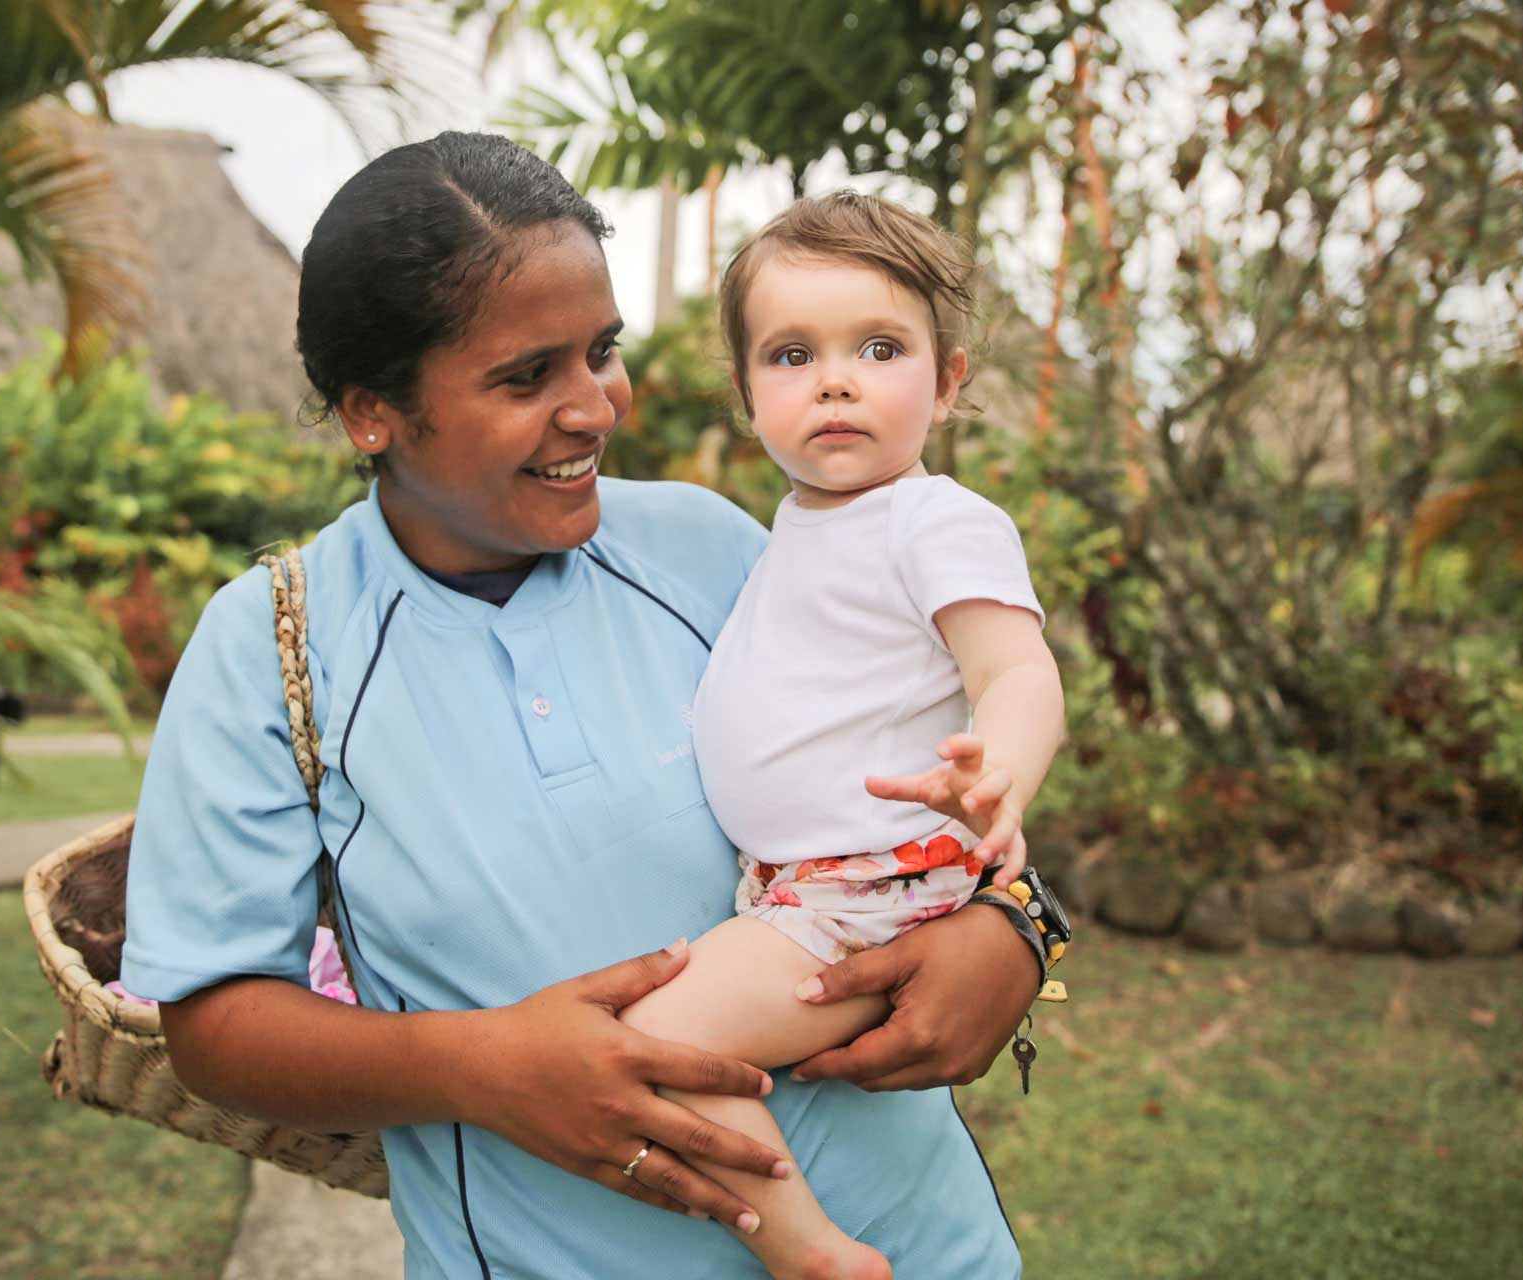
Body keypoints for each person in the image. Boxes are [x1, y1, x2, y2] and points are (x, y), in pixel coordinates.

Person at [121, 132, 1043, 1279]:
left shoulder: (712, 547)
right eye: (526, 376)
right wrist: (480, 1066)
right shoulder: (274, 648)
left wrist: (1013, 930)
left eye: (600, 351)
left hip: (919, 1241)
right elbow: (214, 1026)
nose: (595, 407)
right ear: (374, 411)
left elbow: (918, 760)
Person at [613, 192, 1065, 1280]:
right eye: (791, 353)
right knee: (664, 1044)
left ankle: (810, 1249)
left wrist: (1000, 767)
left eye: (879, 347)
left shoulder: (935, 519)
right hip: (796, 888)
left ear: (949, 380)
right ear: (747, 392)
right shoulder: (793, 528)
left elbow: (1017, 667)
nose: (836, 379)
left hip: (862, 890)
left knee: (646, 1045)